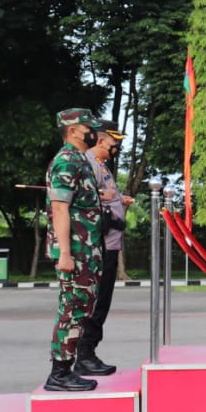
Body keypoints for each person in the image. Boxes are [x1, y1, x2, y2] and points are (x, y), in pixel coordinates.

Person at [43, 108, 105, 392]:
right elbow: (59, 208)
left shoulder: (79, 160)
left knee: (81, 308)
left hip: (86, 251)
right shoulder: (67, 160)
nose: (93, 132)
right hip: (76, 251)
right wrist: (65, 253)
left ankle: (65, 369)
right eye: (88, 127)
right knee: (72, 309)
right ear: (72, 130)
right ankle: (59, 373)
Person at [74, 119, 134, 376]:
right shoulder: (89, 164)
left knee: (103, 301)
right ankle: (84, 354)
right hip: (98, 245)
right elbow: (80, 199)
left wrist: (121, 202)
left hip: (109, 243)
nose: (116, 146)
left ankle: (89, 352)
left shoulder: (102, 167)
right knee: (96, 303)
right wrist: (102, 198)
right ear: (100, 139)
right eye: (114, 141)